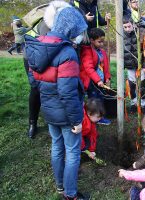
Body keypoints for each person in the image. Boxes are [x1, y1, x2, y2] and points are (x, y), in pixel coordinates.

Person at [25, 5, 90, 200]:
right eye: (78, 31)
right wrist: (77, 121)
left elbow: (33, 81)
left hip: (48, 109)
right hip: (66, 112)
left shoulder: (37, 45)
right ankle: (70, 195)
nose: (79, 36)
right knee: (72, 153)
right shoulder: (67, 53)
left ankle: (61, 186)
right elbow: (67, 92)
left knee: (57, 146)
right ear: (70, 29)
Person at [23, 1, 70, 138]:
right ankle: (33, 123)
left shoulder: (62, 22)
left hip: (49, 54)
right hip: (33, 56)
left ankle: (54, 119)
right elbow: (48, 45)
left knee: (52, 86)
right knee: (36, 88)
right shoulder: (46, 23)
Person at [79, 27, 111, 125]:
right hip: (92, 82)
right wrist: (98, 80)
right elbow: (89, 68)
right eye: (99, 42)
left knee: (100, 98)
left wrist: (107, 78)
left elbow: (106, 66)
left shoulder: (102, 52)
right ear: (92, 40)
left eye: (103, 41)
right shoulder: (87, 51)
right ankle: (93, 117)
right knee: (94, 100)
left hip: (100, 82)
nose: (102, 44)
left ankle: (98, 116)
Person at [123, 17, 145, 112]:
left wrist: (144, 66)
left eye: (129, 26)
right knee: (132, 85)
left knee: (142, 86)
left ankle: (143, 103)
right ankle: (133, 103)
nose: (127, 29)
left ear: (133, 24)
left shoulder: (140, 34)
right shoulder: (121, 36)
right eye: (125, 27)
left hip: (140, 65)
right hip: (130, 66)